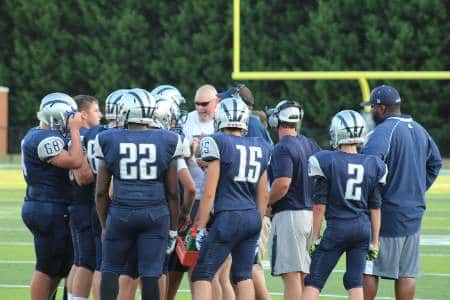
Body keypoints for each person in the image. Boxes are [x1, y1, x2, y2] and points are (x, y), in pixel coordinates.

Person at [95, 90, 182, 300]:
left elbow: (100, 192)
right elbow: (172, 191)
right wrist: (173, 227)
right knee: (151, 272)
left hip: (121, 212)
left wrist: (105, 224)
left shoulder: (107, 138)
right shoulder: (169, 139)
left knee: (110, 268)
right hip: (155, 212)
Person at [361, 85, 442, 300]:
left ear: (381, 108)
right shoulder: (419, 128)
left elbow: (369, 166)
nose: (371, 112)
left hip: (386, 213)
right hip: (413, 212)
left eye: (372, 108)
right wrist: (416, 188)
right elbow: (435, 163)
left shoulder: (384, 131)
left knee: (368, 268)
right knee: (407, 273)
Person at [191, 96, 271, 300]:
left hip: (228, 216)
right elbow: (263, 192)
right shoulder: (260, 145)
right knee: (243, 275)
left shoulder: (217, 141)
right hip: (252, 216)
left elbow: (209, 190)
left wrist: (199, 227)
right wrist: (258, 221)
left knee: (202, 273)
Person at [302, 110, 386, 300]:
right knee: (354, 281)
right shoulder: (373, 163)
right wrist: (375, 241)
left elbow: (319, 205)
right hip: (362, 229)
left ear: (338, 132)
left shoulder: (326, 160)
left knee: (314, 280)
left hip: (339, 227)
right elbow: (375, 207)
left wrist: (315, 236)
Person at [21, 92, 83, 300]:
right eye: (68, 116)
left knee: (61, 265)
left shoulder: (37, 134)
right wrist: (75, 131)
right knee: (47, 266)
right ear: (56, 116)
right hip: (47, 206)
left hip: (47, 203)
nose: (71, 121)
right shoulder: (44, 138)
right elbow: (74, 161)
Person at [181, 84, 232, 300]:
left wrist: (200, 154)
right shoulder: (187, 121)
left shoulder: (224, 121)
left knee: (219, 270)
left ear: (217, 102)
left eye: (205, 104)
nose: (201, 108)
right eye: (197, 103)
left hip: (219, 200)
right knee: (195, 264)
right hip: (195, 199)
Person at [267, 100, 321, 300]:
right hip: (310, 215)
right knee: (304, 276)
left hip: (290, 215)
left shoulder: (282, 147)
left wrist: (265, 203)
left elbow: (282, 184)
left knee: (291, 276)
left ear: (278, 119)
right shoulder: (311, 144)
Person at [151, 84, 196, 300]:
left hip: (142, 208)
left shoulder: (133, 137)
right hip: (170, 210)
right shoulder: (173, 141)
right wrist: (186, 212)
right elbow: (189, 185)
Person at [67, 95, 103, 300]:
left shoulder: (76, 135)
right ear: (83, 114)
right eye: (96, 110)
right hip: (84, 203)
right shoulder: (82, 136)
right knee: (90, 263)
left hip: (77, 203)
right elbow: (83, 177)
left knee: (81, 261)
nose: (100, 114)